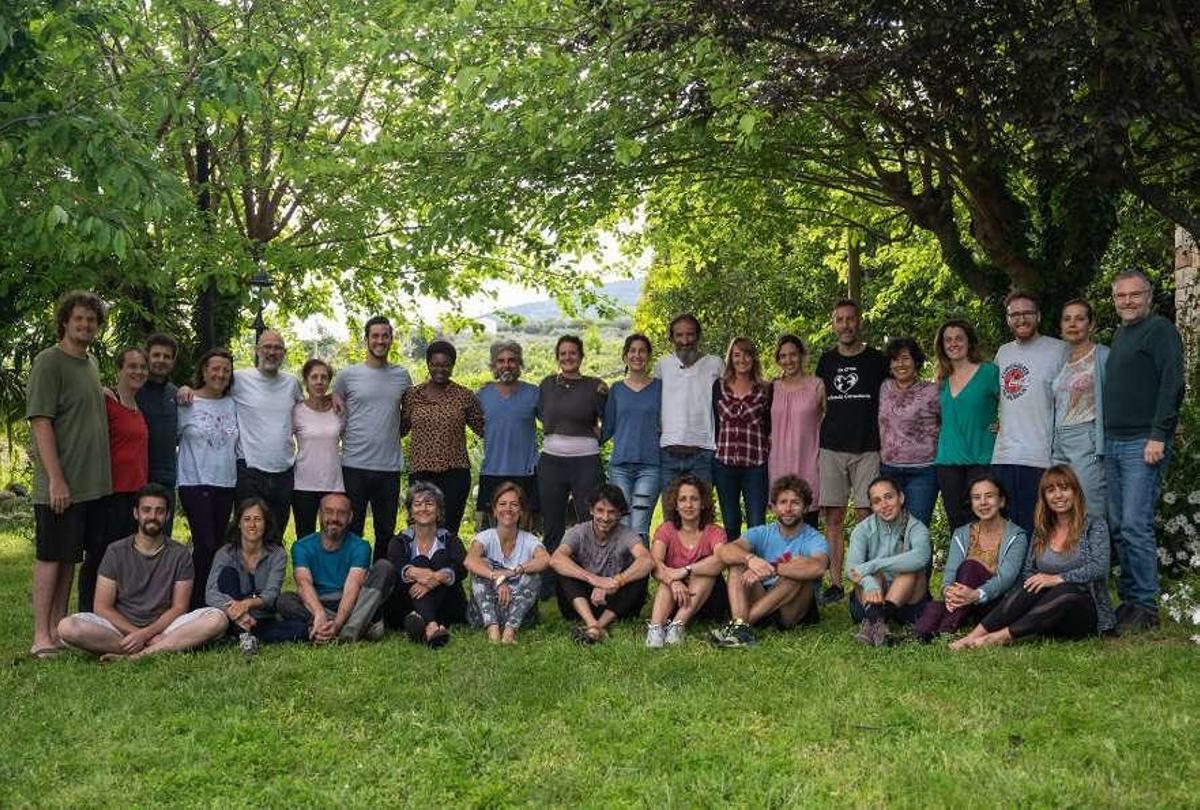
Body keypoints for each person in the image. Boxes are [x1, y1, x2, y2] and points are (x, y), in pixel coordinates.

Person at [26, 291, 112, 658]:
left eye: (91, 320)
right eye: (79, 318)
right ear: (64, 321)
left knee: (69, 558)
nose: (85, 324)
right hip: (59, 486)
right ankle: (40, 636)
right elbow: (41, 422)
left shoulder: (89, 364)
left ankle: (59, 627)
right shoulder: (49, 362)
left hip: (88, 486)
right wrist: (56, 479)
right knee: (50, 557)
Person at [56, 484, 228, 661]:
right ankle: (162, 648)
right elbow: (102, 607)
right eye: (146, 510)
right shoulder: (116, 551)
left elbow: (179, 607)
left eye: (159, 511)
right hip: (120, 629)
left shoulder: (180, 554)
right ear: (136, 513)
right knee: (67, 627)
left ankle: (136, 655)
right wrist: (139, 634)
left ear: (168, 516)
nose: (152, 516)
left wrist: (146, 634)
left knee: (217, 619)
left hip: (165, 628)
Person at [950, 465, 1115, 649]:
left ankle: (997, 638)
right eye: (1051, 490)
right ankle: (973, 636)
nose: (1058, 495)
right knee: (1030, 585)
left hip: (1082, 613)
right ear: (1044, 497)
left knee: (1065, 589)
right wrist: (1041, 586)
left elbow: (1099, 568)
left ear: (1075, 492)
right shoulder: (1042, 529)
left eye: (1064, 488)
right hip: (1045, 614)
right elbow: (1029, 570)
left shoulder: (1094, 525)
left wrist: (1056, 579)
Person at [1103, 271, 1185, 633]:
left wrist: (1159, 434)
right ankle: (1130, 601)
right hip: (1113, 442)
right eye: (1121, 296)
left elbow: (1173, 381)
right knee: (1120, 526)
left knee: (1136, 525)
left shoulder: (1160, 330)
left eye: (1135, 295)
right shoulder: (1121, 334)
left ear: (1149, 297)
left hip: (1143, 442)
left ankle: (1147, 607)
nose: (1128, 302)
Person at [814, 299, 886, 603]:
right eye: (839, 320)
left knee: (865, 516)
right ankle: (834, 583)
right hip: (831, 446)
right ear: (833, 324)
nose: (845, 325)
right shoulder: (826, 361)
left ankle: (862, 577)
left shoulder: (877, 360)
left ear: (860, 322)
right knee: (833, 516)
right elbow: (817, 404)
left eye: (850, 319)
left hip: (868, 446)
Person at [709, 476, 828, 648]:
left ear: (805, 508)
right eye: (782, 502)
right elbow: (726, 551)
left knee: (797, 570)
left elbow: (818, 567)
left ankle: (739, 626)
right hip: (761, 596)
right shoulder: (761, 532)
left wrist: (774, 568)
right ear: (773, 507)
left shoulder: (814, 538)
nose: (788, 508)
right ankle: (741, 627)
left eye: (795, 503)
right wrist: (750, 559)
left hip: (791, 608)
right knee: (737, 563)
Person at [334, 315, 413, 561]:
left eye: (385, 336)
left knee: (385, 531)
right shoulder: (347, 376)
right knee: (351, 529)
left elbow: (407, 417)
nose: (380, 340)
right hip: (353, 465)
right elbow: (333, 411)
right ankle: (349, 582)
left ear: (391, 339)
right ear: (366, 340)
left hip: (388, 467)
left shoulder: (402, 376)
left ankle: (380, 588)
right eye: (375, 336)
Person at [915, 473, 1028, 640]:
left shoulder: (1017, 535)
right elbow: (949, 577)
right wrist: (949, 592)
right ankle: (922, 634)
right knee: (932, 608)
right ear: (971, 502)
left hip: (996, 602)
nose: (983, 502)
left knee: (970, 567)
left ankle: (946, 629)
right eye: (976, 497)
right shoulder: (961, 533)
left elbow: (1006, 579)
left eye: (989, 496)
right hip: (964, 601)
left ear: (1001, 501)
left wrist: (975, 594)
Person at [991, 292, 1067, 534]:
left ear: (1038, 316)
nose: (1021, 319)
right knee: (1006, 529)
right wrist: (990, 421)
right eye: (1015, 314)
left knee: (1038, 528)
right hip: (1003, 456)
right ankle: (1009, 573)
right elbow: (991, 396)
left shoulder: (1059, 350)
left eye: (1027, 313)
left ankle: (1035, 573)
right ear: (1008, 319)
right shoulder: (1003, 353)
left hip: (1039, 456)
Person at [537, 335, 608, 595]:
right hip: (552, 462)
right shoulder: (546, 385)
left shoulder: (596, 386)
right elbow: (541, 414)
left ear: (581, 356)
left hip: (586, 461)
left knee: (588, 520)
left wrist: (600, 433)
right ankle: (550, 582)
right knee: (553, 522)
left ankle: (589, 576)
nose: (568, 357)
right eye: (563, 353)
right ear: (558, 356)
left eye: (573, 353)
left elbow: (608, 420)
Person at [81, 347, 149, 614]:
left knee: (125, 557)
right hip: (109, 492)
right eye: (132, 366)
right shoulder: (106, 400)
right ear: (119, 369)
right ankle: (87, 611)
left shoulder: (138, 406)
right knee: (99, 555)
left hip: (135, 494)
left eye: (142, 367)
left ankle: (115, 610)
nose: (138, 372)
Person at [277, 493, 396, 642]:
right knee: (284, 600)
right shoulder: (301, 546)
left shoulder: (361, 546)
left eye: (341, 513)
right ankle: (355, 625)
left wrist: (338, 623)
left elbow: (353, 586)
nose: (334, 518)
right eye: (329, 511)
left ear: (350, 517)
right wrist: (319, 613)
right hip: (318, 601)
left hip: (351, 602)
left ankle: (345, 632)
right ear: (320, 514)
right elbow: (303, 584)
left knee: (384, 567)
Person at [176, 349, 239, 610]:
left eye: (225, 370)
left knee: (218, 545)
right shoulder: (186, 402)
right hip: (195, 482)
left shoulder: (233, 403)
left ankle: (214, 602)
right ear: (204, 371)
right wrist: (181, 389)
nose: (220, 374)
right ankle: (195, 605)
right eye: (215, 368)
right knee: (205, 544)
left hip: (226, 483)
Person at [550, 484, 654, 644]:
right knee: (564, 568)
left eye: (611, 512)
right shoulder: (578, 532)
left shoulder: (626, 534)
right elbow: (556, 559)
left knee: (640, 574)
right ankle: (592, 623)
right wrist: (594, 580)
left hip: (616, 603)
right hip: (580, 602)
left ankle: (597, 627)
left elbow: (647, 561)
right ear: (591, 510)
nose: (605, 518)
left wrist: (617, 582)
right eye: (600, 510)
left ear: (620, 514)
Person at [401, 340, 485, 534]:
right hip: (421, 473)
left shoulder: (464, 395)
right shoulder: (412, 395)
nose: (440, 369)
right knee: (420, 527)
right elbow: (400, 429)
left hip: (454, 473)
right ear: (428, 364)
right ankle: (418, 563)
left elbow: (483, 428)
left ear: (453, 365)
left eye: (445, 365)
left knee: (448, 530)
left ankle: (448, 564)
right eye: (435, 364)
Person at [205, 498, 308, 650]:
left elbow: (272, 594)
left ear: (265, 524)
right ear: (239, 524)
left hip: (262, 619)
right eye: (247, 519)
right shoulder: (225, 553)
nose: (252, 525)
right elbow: (210, 593)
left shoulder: (277, 554)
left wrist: (247, 604)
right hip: (231, 618)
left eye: (258, 519)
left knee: (300, 629)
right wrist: (238, 614)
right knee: (227, 574)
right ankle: (242, 631)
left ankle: (242, 636)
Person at [844, 476, 932, 647]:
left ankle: (875, 622)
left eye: (888, 497)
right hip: (869, 600)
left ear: (901, 498)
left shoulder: (917, 528)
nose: (884, 505)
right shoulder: (862, 530)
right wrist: (869, 584)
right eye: (877, 501)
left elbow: (921, 557)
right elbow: (852, 569)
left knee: (910, 570)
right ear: (872, 507)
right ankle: (880, 626)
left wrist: (875, 564)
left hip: (908, 604)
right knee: (873, 576)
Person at [933, 319, 999, 535]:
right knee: (957, 525)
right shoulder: (941, 379)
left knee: (982, 522)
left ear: (969, 342)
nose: (953, 344)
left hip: (980, 458)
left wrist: (1005, 424)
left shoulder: (989, 373)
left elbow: (1013, 403)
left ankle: (986, 568)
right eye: (948, 340)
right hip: (947, 462)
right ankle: (962, 568)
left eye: (959, 338)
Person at [645, 474, 727, 648]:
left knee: (706, 567)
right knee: (666, 577)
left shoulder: (714, 531)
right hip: (676, 597)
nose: (688, 505)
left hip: (709, 600)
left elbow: (721, 559)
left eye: (694, 499)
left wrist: (686, 570)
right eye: (682, 499)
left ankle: (677, 627)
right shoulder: (666, 530)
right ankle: (656, 629)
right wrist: (673, 581)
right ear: (675, 505)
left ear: (703, 503)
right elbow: (655, 564)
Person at [464, 481, 551, 644]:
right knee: (480, 566)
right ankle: (493, 630)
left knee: (533, 575)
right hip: (485, 613)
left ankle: (510, 632)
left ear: (521, 511)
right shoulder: (485, 537)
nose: (508, 509)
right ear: (495, 511)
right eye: (502, 504)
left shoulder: (529, 539)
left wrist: (516, 570)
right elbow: (470, 560)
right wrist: (496, 577)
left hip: (519, 612)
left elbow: (546, 559)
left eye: (514, 504)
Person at [386, 482, 468, 647]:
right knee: (420, 561)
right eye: (417, 504)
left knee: (440, 557)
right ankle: (435, 625)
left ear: (438, 511)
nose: (423, 508)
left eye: (429, 504)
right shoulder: (399, 541)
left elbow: (462, 568)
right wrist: (416, 573)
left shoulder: (451, 540)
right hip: (407, 602)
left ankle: (423, 622)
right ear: (410, 511)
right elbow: (396, 564)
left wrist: (437, 578)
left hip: (447, 601)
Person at [1051, 299, 1109, 522]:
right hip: (1058, 440)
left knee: (1091, 508)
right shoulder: (1060, 360)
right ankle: (1073, 557)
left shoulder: (1103, 356)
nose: (1073, 324)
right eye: (1067, 319)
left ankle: (1098, 556)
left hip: (1087, 437)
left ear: (1091, 324)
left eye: (1079, 318)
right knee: (1062, 510)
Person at [602, 333, 662, 539]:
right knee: (620, 525)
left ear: (648, 356)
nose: (637, 355)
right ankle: (621, 571)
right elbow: (607, 428)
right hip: (620, 467)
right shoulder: (616, 389)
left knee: (639, 527)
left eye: (642, 351)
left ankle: (640, 572)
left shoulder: (659, 388)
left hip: (650, 466)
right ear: (625, 356)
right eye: (632, 351)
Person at [654, 313, 724, 491]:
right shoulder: (662, 365)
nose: (685, 340)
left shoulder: (715, 364)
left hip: (703, 451)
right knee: (670, 513)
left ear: (698, 336)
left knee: (704, 510)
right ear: (671, 338)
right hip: (668, 452)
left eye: (690, 334)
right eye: (679, 335)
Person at [475, 340, 540, 530]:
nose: (506, 365)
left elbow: (554, 420)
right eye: (500, 361)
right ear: (494, 365)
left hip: (525, 473)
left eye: (512, 360)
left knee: (525, 532)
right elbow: (476, 426)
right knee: (489, 534)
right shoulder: (482, 395)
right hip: (492, 472)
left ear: (519, 363)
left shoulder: (534, 393)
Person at [712, 337, 772, 541]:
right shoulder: (719, 387)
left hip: (755, 464)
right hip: (725, 464)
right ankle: (735, 570)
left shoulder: (765, 388)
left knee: (756, 521)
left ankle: (757, 570)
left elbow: (769, 426)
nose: (742, 359)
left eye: (746, 354)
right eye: (737, 355)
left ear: (753, 358)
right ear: (730, 358)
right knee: (730, 521)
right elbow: (715, 423)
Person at [877, 337, 940, 528]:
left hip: (923, 471)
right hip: (889, 469)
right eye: (895, 359)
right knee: (891, 530)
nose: (900, 364)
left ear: (916, 361)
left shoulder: (932, 391)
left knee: (917, 528)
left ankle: (921, 560)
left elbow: (954, 420)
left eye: (905, 358)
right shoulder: (884, 387)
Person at [767, 334, 824, 528]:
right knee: (784, 522)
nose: (788, 360)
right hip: (779, 463)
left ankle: (812, 559)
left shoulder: (816, 386)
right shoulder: (772, 388)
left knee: (808, 522)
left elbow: (831, 421)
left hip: (808, 462)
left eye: (793, 354)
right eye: (783, 356)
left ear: (801, 355)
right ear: (778, 359)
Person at [292, 358, 345, 539]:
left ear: (329, 381)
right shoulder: (297, 411)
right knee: (304, 536)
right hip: (303, 484)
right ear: (306, 381)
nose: (319, 381)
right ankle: (303, 568)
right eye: (314, 377)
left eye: (324, 377)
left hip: (333, 483)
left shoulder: (338, 409)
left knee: (332, 536)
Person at [137, 333, 180, 536]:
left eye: (166, 356)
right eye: (156, 355)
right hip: (135, 479)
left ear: (173, 361)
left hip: (166, 480)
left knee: (161, 540)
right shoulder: (133, 390)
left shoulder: (176, 394)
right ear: (147, 357)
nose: (161, 360)